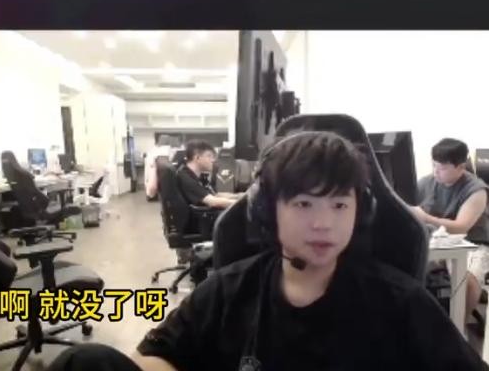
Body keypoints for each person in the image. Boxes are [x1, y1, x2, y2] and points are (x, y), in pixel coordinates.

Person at [48, 131, 488, 371]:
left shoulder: (398, 301)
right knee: (86, 363)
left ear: (361, 213)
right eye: (303, 204)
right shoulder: (229, 289)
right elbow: (157, 354)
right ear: (266, 212)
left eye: (339, 205)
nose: (323, 223)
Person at [411, 138, 489, 320]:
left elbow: (461, 227)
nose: (435, 171)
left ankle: (458, 329)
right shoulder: (426, 183)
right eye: (434, 165)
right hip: (437, 242)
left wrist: (425, 217)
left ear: (461, 167)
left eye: (442, 168)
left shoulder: (476, 190)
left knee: (466, 282)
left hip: (472, 244)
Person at [176, 140, 242, 209]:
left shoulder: (198, 177)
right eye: (209, 156)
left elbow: (215, 195)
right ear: (197, 158)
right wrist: (243, 204)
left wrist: (241, 196)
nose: (213, 160)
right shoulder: (186, 178)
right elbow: (213, 202)